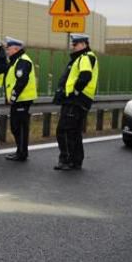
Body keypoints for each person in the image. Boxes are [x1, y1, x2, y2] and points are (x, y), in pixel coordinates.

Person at [53, 33, 99, 170]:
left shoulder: (85, 57)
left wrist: (75, 92)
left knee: (64, 130)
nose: (73, 46)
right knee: (74, 131)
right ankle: (76, 161)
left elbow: (85, 76)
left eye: (76, 44)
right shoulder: (86, 57)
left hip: (76, 100)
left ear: (84, 44)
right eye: (72, 44)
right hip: (81, 100)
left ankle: (66, 160)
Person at [3, 37, 38, 161]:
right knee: (15, 126)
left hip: (22, 99)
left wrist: (13, 96)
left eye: (9, 48)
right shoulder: (16, 60)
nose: (7, 51)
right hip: (18, 99)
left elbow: (22, 80)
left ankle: (22, 153)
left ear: (16, 48)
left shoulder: (23, 61)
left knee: (20, 127)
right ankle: (20, 151)